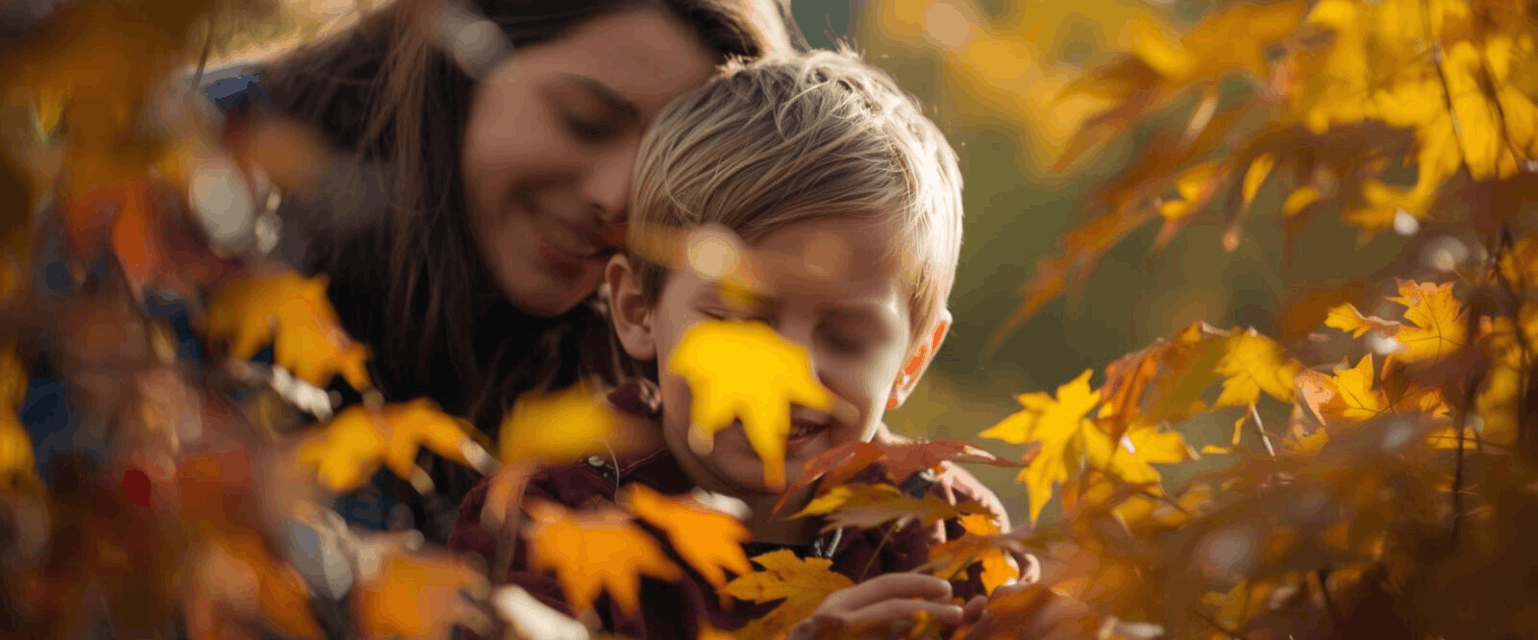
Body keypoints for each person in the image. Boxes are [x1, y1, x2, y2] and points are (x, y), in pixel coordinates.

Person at [450, 49, 1022, 639]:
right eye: (737, 321)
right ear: (637, 310)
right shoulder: (546, 518)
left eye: (847, 336)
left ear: (913, 361)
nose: (789, 372)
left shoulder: (946, 531)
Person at [195, 0, 806, 540]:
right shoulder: (193, 189)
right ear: (461, 53)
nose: (619, 197)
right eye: (583, 120)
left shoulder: (634, 384)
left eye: (666, 175)